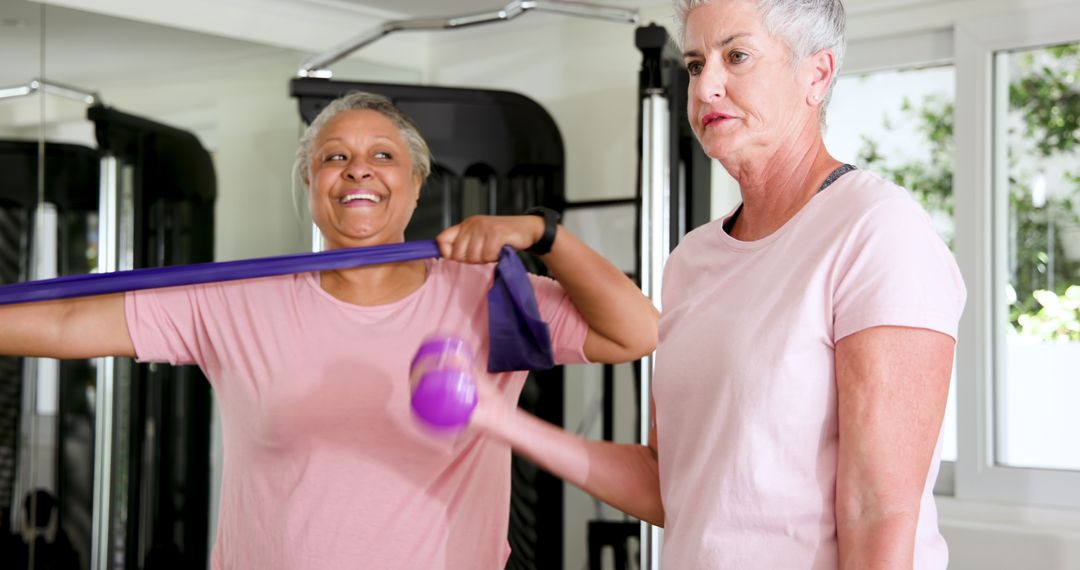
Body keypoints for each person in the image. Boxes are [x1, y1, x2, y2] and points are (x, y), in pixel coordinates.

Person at [0, 91, 659, 568]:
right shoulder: (239, 300)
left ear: (416, 179)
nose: (357, 169)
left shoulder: (495, 293)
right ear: (311, 182)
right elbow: (61, 320)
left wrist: (542, 234)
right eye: (333, 157)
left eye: (382, 155)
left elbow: (637, 332)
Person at [471, 1, 966, 568]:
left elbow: (877, 513)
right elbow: (671, 485)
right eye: (695, 63)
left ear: (817, 74)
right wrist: (503, 421)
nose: (706, 86)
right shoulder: (693, 259)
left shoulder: (877, 231)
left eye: (737, 56)